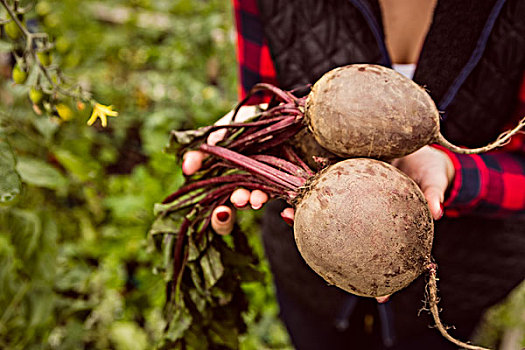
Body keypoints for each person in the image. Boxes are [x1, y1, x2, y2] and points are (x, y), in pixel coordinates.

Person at [183, 0, 525, 348]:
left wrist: (453, 170)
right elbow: (266, 102)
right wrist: (253, 136)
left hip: (466, 272)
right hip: (310, 283)